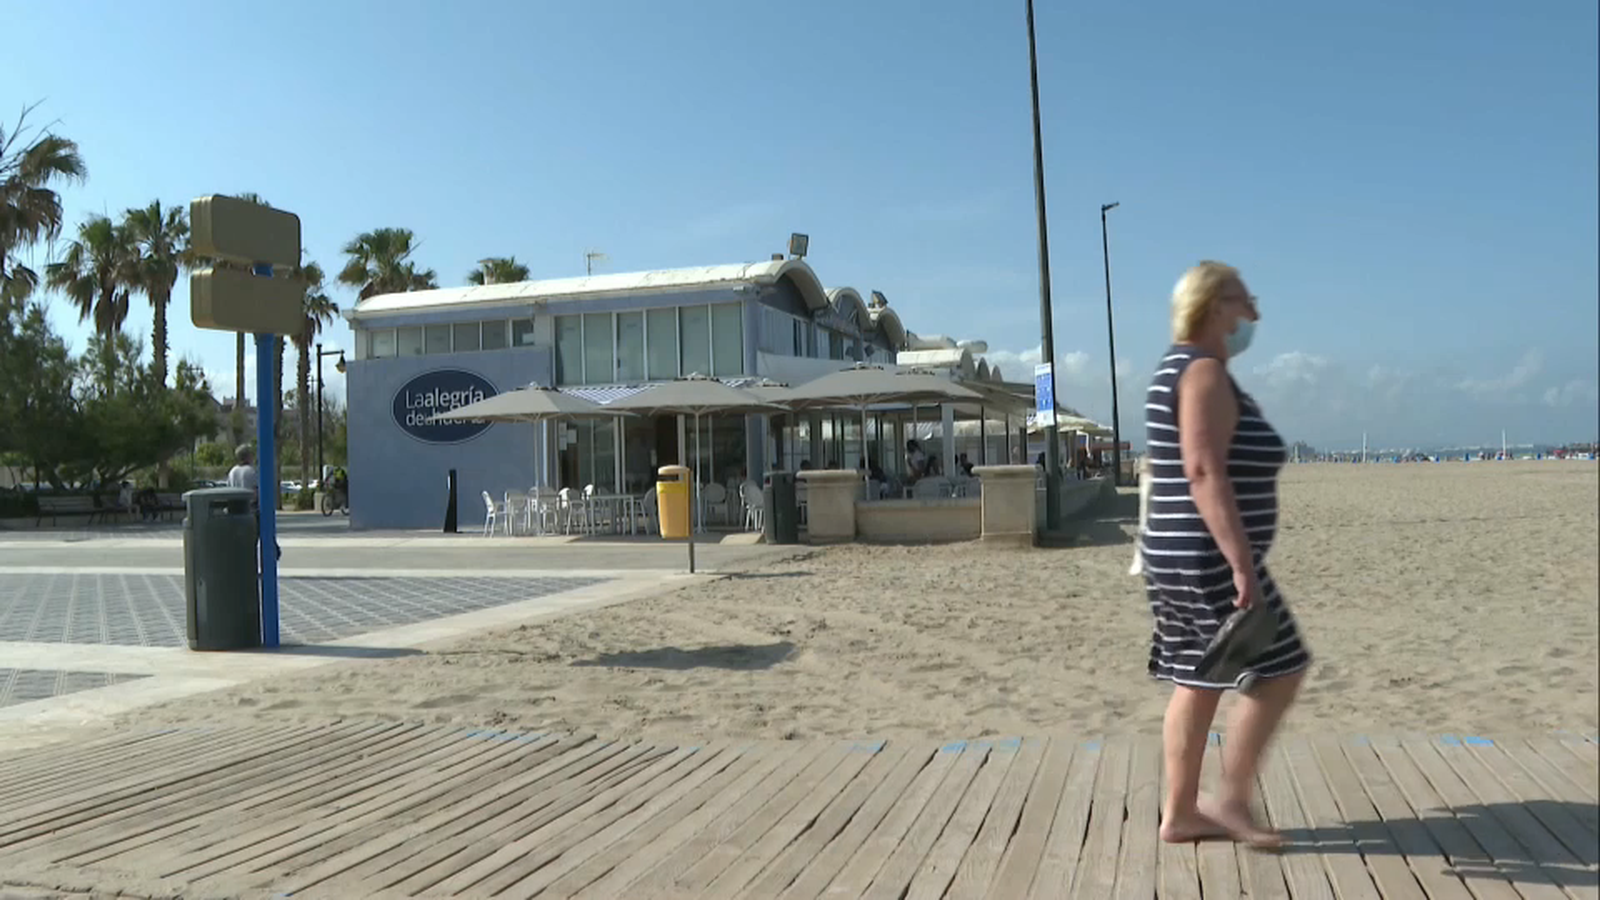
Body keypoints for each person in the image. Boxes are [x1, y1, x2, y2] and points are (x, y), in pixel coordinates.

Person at [1141, 261, 1309, 849]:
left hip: (1180, 551)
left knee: (1199, 677)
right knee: (1282, 667)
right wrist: (1242, 564)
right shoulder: (1203, 371)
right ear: (1214, 307)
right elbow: (1204, 471)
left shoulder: (1179, 369)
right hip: (1208, 556)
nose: (1255, 315)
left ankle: (1182, 814)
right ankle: (1232, 800)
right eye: (1245, 302)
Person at [227, 444, 281, 561]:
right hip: (252, 509)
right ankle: (269, 557)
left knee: (245, 544)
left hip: (236, 511)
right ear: (248, 456)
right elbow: (256, 491)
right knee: (261, 537)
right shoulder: (251, 471)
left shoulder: (232, 472)